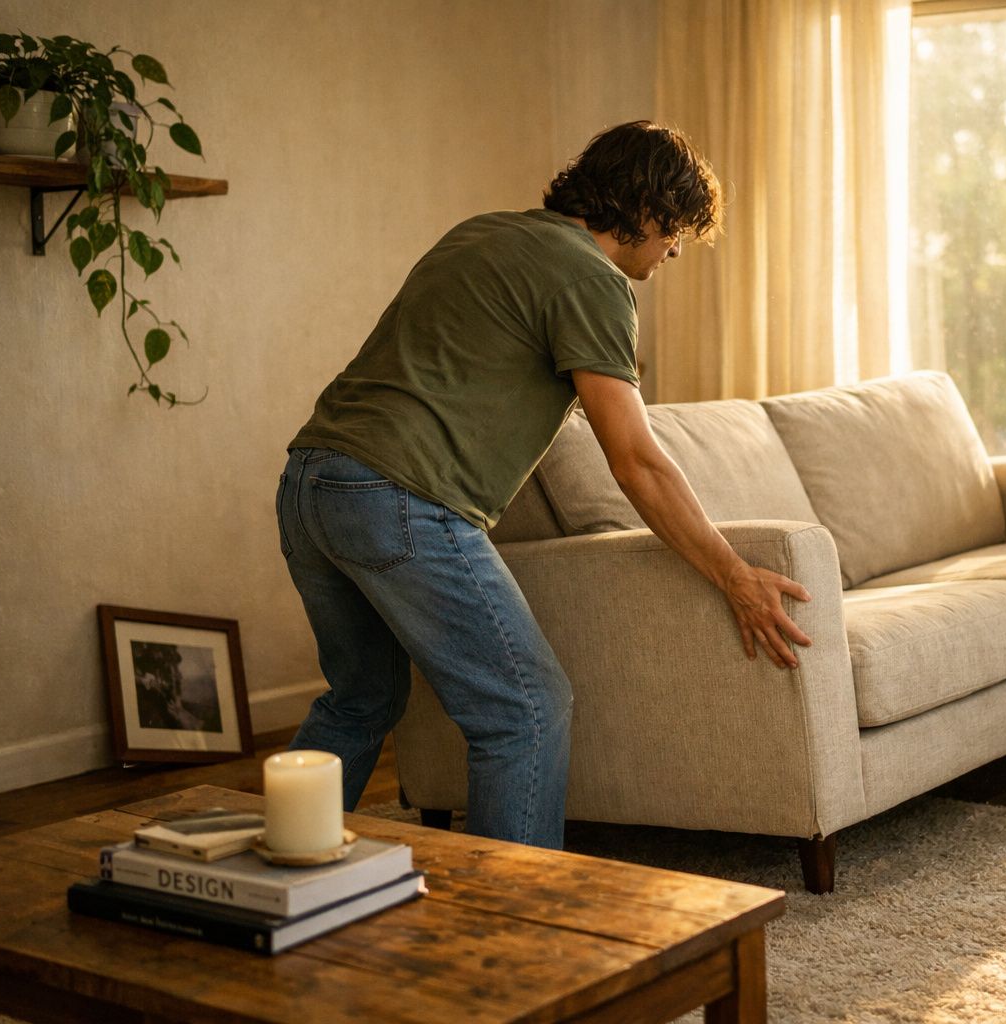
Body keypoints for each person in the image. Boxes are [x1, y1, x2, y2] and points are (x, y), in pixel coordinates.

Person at [276, 121, 812, 850]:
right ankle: (517, 925)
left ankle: (273, 879)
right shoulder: (592, 278)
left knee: (363, 697)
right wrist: (734, 575)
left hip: (311, 483)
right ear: (648, 210)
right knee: (525, 710)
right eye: (676, 230)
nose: (676, 248)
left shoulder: (481, 233)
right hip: (399, 499)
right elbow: (636, 461)